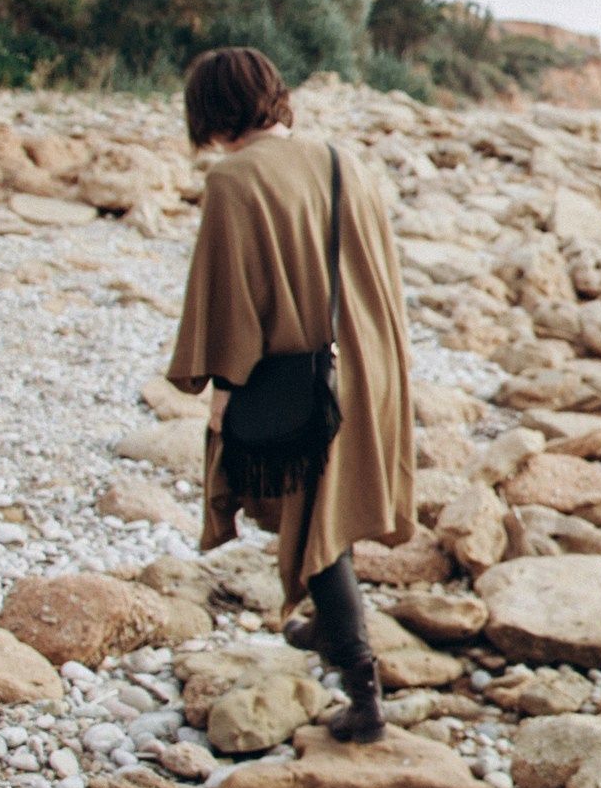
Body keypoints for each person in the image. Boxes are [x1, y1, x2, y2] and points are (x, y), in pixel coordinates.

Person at [166, 47, 415, 743]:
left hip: (303, 373)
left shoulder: (232, 180)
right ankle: (330, 627)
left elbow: (228, 302)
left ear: (210, 109)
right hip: (368, 363)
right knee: (326, 504)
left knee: (309, 507)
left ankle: (363, 695)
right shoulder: (342, 159)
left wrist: (220, 386)